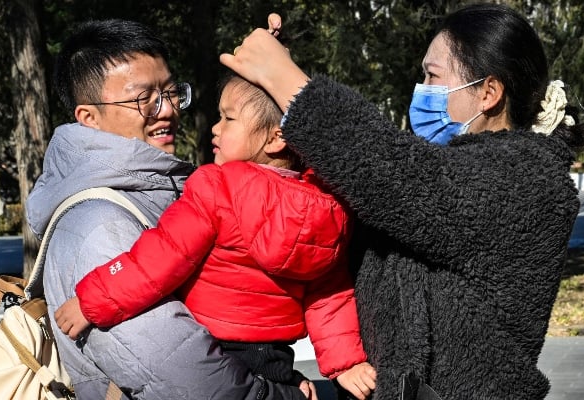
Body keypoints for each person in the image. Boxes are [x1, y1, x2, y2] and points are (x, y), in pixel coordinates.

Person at [220, 4, 584, 400]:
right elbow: (353, 199)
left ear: (488, 93)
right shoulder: (442, 172)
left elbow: (390, 171)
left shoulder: (528, 179)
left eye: (433, 76)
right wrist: (268, 94)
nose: (423, 89)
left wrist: (284, 78)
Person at [27, 18, 315, 400]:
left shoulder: (169, 188)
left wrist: (268, 84)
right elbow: (185, 380)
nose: (166, 110)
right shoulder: (98, 225)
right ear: (88, 118)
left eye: (171, 91)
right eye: (142, 98)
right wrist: (276, 395)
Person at [54, 73, 377, 400]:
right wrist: (345, 364)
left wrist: (91, 300)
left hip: (216, 345)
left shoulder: (215, 187)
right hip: (275, 357)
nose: (216, 127)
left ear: (276, 139)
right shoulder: (329, 212)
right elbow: (331, 296)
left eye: (229, 118)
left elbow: (160, 257)